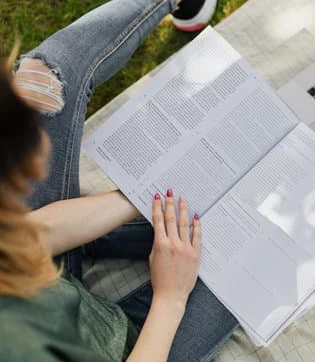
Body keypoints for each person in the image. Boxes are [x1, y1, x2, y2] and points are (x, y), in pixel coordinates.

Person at [0, 0, 238, 361]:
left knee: (39, 81)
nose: (36, 172)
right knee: (244, 245)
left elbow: (26, 236)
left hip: (54, 286)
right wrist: (170, 298)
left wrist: (137, 194)